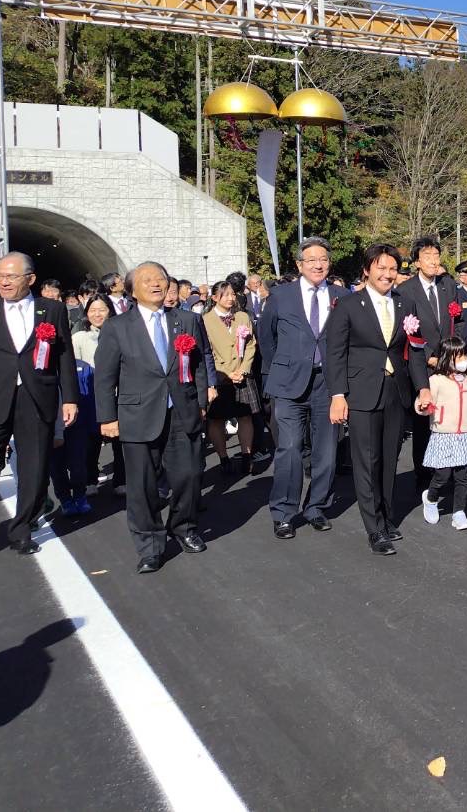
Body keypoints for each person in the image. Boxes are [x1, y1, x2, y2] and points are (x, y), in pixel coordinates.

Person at [0, 252, 79, 563]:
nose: (3, 282)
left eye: (11, 276)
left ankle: (22, 528)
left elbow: (64, 356)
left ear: (30, 279)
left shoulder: (52, 310)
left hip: (37, 398)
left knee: (34, 470)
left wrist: (70, 397)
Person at [95, 262, 208, 573]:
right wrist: (107, 417)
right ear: (132, 290)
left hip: (181, 411)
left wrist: (200, 400)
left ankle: (184, 527)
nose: (157, 284)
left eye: (160, 278)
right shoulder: (117, 327)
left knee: (189, 476)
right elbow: (105, 376)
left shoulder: (186, 320)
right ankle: (150, 544)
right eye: (147, 280)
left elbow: (198, 365)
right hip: (136, 415)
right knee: (142, 486)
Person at [326, 242, 432, 555]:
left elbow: (414, 350)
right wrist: (337, 394)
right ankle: (374, 528)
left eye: (392, 268)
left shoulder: (404, 304)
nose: (387, 274)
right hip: (360, 392)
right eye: (381, 268)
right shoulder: (348, 305)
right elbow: (335, 354)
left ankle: (386, 517)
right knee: (366, 461)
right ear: (367, 270)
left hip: (395, 391)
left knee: (388, 459)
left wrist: (422, 386)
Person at [260, 237, 339, 538]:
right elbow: (266, 336)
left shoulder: (340, 295)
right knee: (290, 448)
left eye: (323, 259)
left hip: (328, 384)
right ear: (299, 265)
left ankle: (316, 506)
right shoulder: (281, 296)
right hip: (289, 383)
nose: (318, 264)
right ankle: (283, 511)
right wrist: (284, 365)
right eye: (312, 260)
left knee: (326, 451)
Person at [395, 235, 457, 485]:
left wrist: (453, 353)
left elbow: (457, 321)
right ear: (417, 262)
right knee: (424, 421)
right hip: (423, 363)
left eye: (436, 256)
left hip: (449, 362)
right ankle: (423, 471)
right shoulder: (405, 291)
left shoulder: (448, 285)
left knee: (449, 419)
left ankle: (449, 468)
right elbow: (408, 331)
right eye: (427, 256)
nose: (433, 261)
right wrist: (431, 356)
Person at [50, 293, 111, 516]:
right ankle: (64, 499)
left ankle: (80, 494)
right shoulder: (41, 365)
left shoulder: (83, 367)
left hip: (77, 421)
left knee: (78, 462)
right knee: (56, 466)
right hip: (52, 419)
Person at [420, 336, 467, 530]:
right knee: (442, 474)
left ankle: (459, 512)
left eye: (465, 355)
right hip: (443, 434)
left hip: (464, 436)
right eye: (459, 356)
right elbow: (424, 404)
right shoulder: (436, 380)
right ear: (447, 358)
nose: (464, 360)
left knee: (462, 476)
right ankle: (431, 498)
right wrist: (424, 407)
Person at [203, 280, 259, 476]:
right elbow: (206, 352)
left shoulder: (242, 316)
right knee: (216, 419)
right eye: (225, 294)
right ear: (214, 298)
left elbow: (251, 344)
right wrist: (225, 373)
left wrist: (243, 369)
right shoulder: (205, 320)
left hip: (242, 374)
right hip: (220, 376)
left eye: (232, 294)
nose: (230, 298)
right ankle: (223, 457)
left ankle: (246, 455)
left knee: (245, 416)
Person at [72, 294, 115, 498]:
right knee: (91, 440)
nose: (97, 314)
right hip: (90, 395)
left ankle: (121, 480)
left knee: (120, 440)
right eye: (93, 311)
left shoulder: (119, 334)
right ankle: (90, 478)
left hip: (117, 392)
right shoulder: (80, 338)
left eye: (102, 310)